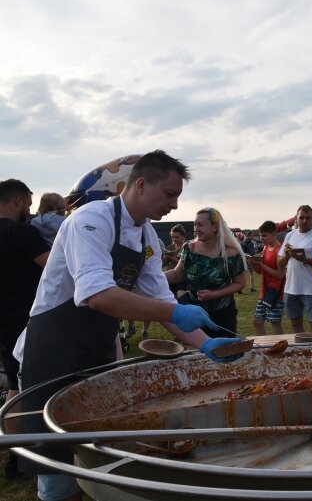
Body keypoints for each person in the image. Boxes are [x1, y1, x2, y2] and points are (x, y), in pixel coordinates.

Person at [16, 151, 244, 501]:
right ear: (140, 184)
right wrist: (175, 313)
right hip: (54, 351)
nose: (175, 203)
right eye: (170, 193)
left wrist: (205, 345)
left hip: (99, 349)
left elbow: (163, 303)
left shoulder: (146, 236)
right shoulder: (90, 220)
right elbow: (97, 295)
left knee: (100, 453)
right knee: (58, 467)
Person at [0, 179, 50, 480]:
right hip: (25, 321)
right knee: (30, 389)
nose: (30, 211)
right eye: (28, 205)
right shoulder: (21, 233)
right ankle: (27, 458)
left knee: (14, 389)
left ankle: (13, 459)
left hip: (3, 321)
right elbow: (53, 266)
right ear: (18, 200)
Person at [166, 208, 247, 338]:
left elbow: (240, 283)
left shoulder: (231, 253)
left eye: (200, 225)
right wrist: (153, 277)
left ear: (215, 227)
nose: (196, 229)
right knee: (194, 353)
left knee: (223, 352)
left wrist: (214, 294)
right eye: (195, 224)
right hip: (194, 313)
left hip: (223, 315)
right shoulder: (189, 248)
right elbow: (177, 275)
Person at [278, 205, 312, 333]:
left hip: (311, 288)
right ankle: (302, 350)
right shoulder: (290, 235)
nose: (304, 220)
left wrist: (306, 260)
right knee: (295, 323)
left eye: (308, 218)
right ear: (296, 219)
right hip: (291, 288)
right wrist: (287, 253)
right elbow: (280, 264)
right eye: (301, 217)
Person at [248, 221, 286, 335]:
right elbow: (260, 272)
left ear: (273, 234)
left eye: (264, 235)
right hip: (265, 292)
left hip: (276, 293)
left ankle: (280, 348)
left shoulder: (279, 250)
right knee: (257, 321)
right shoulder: (265, 249)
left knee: (274, 322)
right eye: (260, 235)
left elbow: (280, 275)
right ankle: (264, 346)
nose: (261, 238)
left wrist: (261, 265)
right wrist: (254, 264)